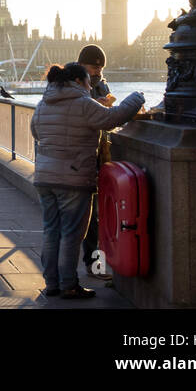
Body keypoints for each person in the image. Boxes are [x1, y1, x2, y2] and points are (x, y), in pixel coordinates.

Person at [30, 62, 144, 300]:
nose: (91, 86)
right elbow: (114, 118)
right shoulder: (83, 103)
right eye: (89, 83)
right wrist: (136, 97)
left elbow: (36, 132)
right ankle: (69, 285)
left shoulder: (43, 104)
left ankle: (52, 284)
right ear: (80, 81)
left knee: (52, 230)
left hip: (44, 177)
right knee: (72, 233)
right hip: (73, 177)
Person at [77, 44, 114, 276]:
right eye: (94, 66)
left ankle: (96, 265)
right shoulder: (74, 85)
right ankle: (64, 275)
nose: (98, 71)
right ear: (82, 65)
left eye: (101, 67)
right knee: (83, 220)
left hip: (100, 155)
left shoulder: (102, 84)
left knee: (97, 218)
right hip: (79, 158)